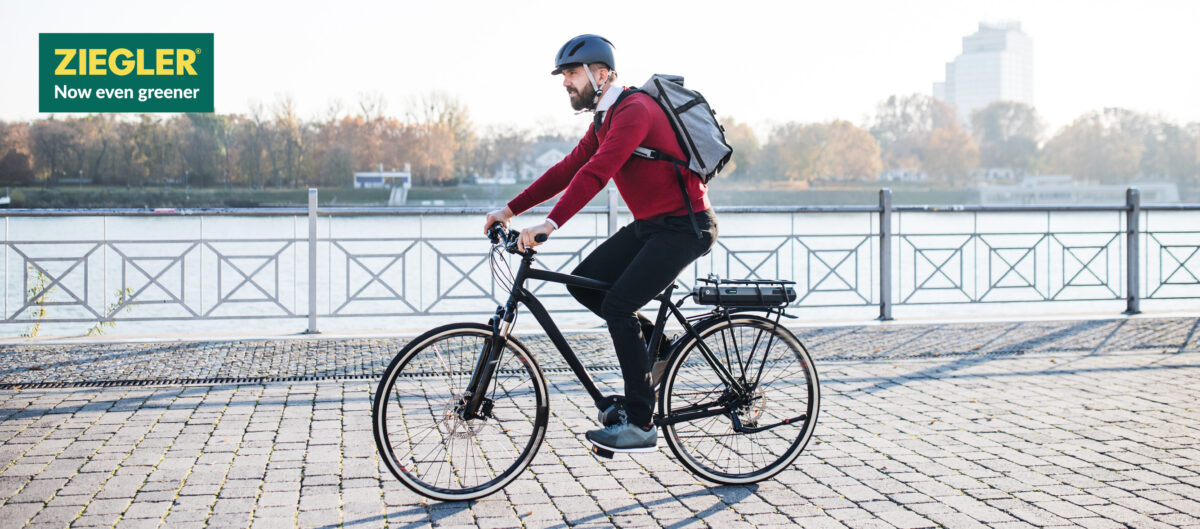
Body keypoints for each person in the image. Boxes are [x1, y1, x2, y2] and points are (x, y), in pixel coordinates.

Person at [483, 34, 717, 453]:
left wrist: (550, 225)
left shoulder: (634, 111)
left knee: (617, 305)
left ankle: (642, 424)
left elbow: (598, 174)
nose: (565, 83)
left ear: (601, 74)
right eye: (565, 75)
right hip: (651, 225)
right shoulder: (604, 118)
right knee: (583, 282)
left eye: (571, 73)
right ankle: (657, 345)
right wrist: (510, 210)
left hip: (686, 228)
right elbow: (571, 168)